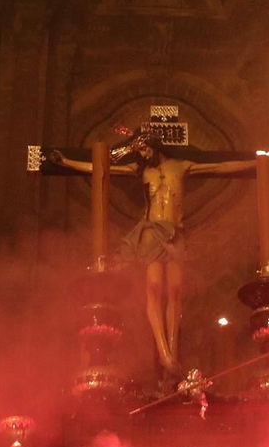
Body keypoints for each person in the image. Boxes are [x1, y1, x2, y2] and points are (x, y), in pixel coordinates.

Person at [51, 126, 256, 374]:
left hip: (174, 232)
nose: (145, 154)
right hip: (150, 231)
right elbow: (101, 168)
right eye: (141, 151)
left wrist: (254, 164)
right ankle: (164, 351)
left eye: (147, 148)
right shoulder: (140, 171)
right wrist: (67, 162)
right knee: (155, 287)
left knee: (176, 289)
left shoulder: (181, 166)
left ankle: (172, 347)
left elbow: (220, 167)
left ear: (155, 145)